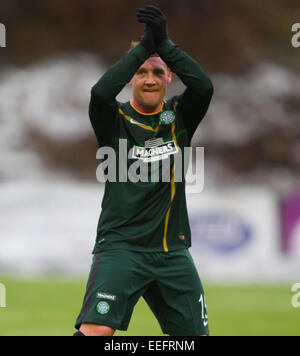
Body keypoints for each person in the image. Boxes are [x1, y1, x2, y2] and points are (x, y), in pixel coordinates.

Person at [74, 6, 213, 336]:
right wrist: (141, 49)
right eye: (141, 72)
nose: (149, 78)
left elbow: (204, 87)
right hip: (122, 249)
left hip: (172, 252)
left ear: (168, 77)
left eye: (157, 71)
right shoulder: (114, 119)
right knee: (96, 333)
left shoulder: (178, 117)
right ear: (131, 78)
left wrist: (164, 46)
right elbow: (100, 92)